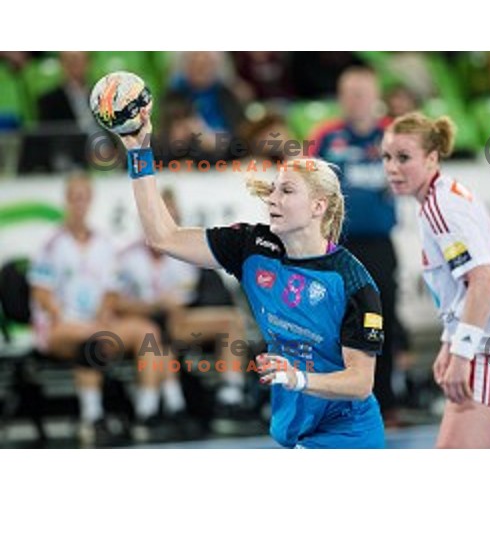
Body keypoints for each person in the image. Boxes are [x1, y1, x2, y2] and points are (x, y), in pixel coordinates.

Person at [119, 108, 386, 449]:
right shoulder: (251, 247)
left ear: (319, 207)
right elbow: (163, 237)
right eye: (273, 190)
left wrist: (297, 378)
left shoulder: (353, 284)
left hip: (348, 432)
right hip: (294, 424)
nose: (272, 199)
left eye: (287, 191)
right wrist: (138, 153)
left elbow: (361, 382)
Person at [381, 112, 490, 448]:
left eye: (403, 158)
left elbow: (483, 282)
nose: (392, 167)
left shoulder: (442, 206)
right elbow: (466, 287)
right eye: (386, 156)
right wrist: (449, 340)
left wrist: (462, 354)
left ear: (431, 158)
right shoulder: (443, 196)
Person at [29, 173, 174, 446]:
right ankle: (92, 417)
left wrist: (104, 313)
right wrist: (63, 316)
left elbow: (111, 290)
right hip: (62, 325)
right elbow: (41, 293)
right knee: (91, 340)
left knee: (148, 332)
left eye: (84, 197)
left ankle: (146, 413)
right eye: (75, 198)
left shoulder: (104, 244)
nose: (79, 204)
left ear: (91, 200)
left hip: (97, 322)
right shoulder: (51, 243)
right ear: (67, 200)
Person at [313, 66, 410, 424]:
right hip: (337, 249)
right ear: (340, 98)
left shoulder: (392, 138)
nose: (355, 101)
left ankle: (385, 403)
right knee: (335, 327)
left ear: (375, 97)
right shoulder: (326, 138)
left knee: (378, 325)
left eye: (362, 93)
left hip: (380, 246)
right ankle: (337, 405)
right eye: (349, 93)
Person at [115, 187, 247, 410]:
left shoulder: (184, 254)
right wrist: (151, 307)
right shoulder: (126, 257)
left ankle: (231, 393)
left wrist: (166, 309)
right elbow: (115, 303)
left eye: (171, 215)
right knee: (153, 334)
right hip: (142, 323)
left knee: (232, 320)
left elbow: (181, 302)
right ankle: (157, 405)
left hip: (178, 322)